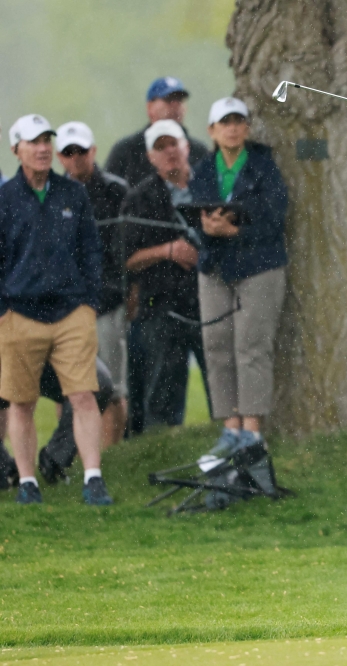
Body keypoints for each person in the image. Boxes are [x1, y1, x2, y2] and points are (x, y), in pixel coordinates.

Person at [0, 114, 111, 505]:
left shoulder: (72, 194)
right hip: (19, 314)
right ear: (17, 149)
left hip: (70, 313)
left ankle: (93, 478)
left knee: (83, 395)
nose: (44, 147)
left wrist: (88, 303)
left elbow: (91, 252)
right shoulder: (5, 198)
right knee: (22, 401)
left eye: (47, 139)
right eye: (34, 141)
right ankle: (28, 482)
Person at [189, 97, 288, 455]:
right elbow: (192, 217)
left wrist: (235, 233)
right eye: (224, 122)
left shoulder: (264, 166)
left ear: (246, 128)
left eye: (238, 121)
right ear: (211, 131)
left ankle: (251, 430)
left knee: (251, 346)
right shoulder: (202, 169)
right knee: (216, 344)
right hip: (215, 268)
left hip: (259, 266)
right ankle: (229, 427)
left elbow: (275, 216)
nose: (232, 128)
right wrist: (210, 230)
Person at [120, 120, 208, 428]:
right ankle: (163, 449)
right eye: (160, 147)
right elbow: (127, 259)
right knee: (162, 392)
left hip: (209, 300)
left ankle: (231, 444)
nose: (169, 152)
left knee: (221, 380)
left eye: (173, 144)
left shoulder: (208, 185)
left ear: (186, 147)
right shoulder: (139, 199)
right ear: (151, 157)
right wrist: (168, 251)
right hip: (161, 304)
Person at [55, 121, 129, 448]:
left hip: (107, 302)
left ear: (93, 151)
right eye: (68, 153)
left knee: (111, 386)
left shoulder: (116, 190)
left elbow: (123, 250)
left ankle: (111, 452)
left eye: (81, 151)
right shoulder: (53, 195)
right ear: (60, 157)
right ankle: (68, 454)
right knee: (65, 387)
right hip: (66, 308)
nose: (75, 158)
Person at [106, 76, 210, 187]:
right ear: (150, 107)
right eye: (169, 100)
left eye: (179, 100)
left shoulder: (199, 151)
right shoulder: (127, 150)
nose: (175, 106)